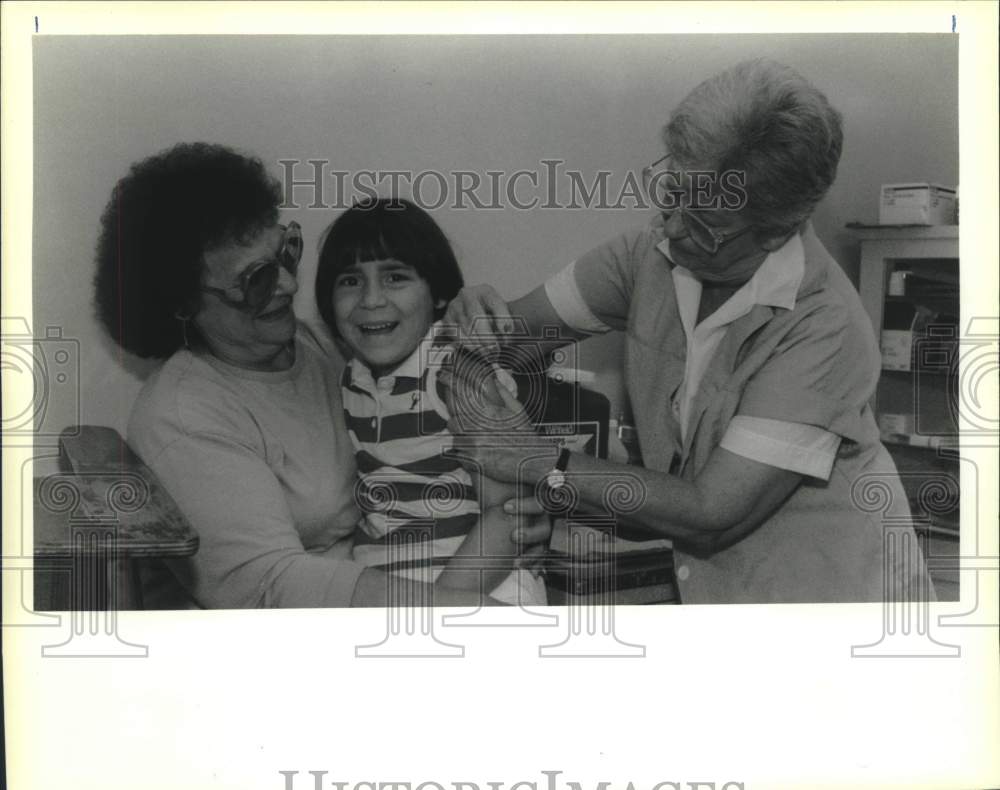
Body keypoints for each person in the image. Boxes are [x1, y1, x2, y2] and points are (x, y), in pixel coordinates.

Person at [443, 59, 934, 604]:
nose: (671, 227)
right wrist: (471, 322)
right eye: (672, 193)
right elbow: (497, 337)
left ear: (775, 232)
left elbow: (710, 514)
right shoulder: (644, 258)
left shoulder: (825, 326)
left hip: (830, 599)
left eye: (704, 224)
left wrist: (533, 460)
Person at [94, 142, 548, 608]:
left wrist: (463, 307)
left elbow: (451, 382)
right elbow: (269, 586)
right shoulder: (183, 416)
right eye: (256, 281)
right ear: (183, 303)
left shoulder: (330, 349)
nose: (290, 285)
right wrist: (454, 610)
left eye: (287, 253)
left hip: (426, 585)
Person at [315, 197, 546, 604]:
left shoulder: (457, 369)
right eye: (350, 281)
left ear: (439, 295)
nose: (371, 300)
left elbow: (508, 509)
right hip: (391, 591)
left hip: (480, 584)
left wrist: (439, 603)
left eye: (395, 278)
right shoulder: (352, 378)